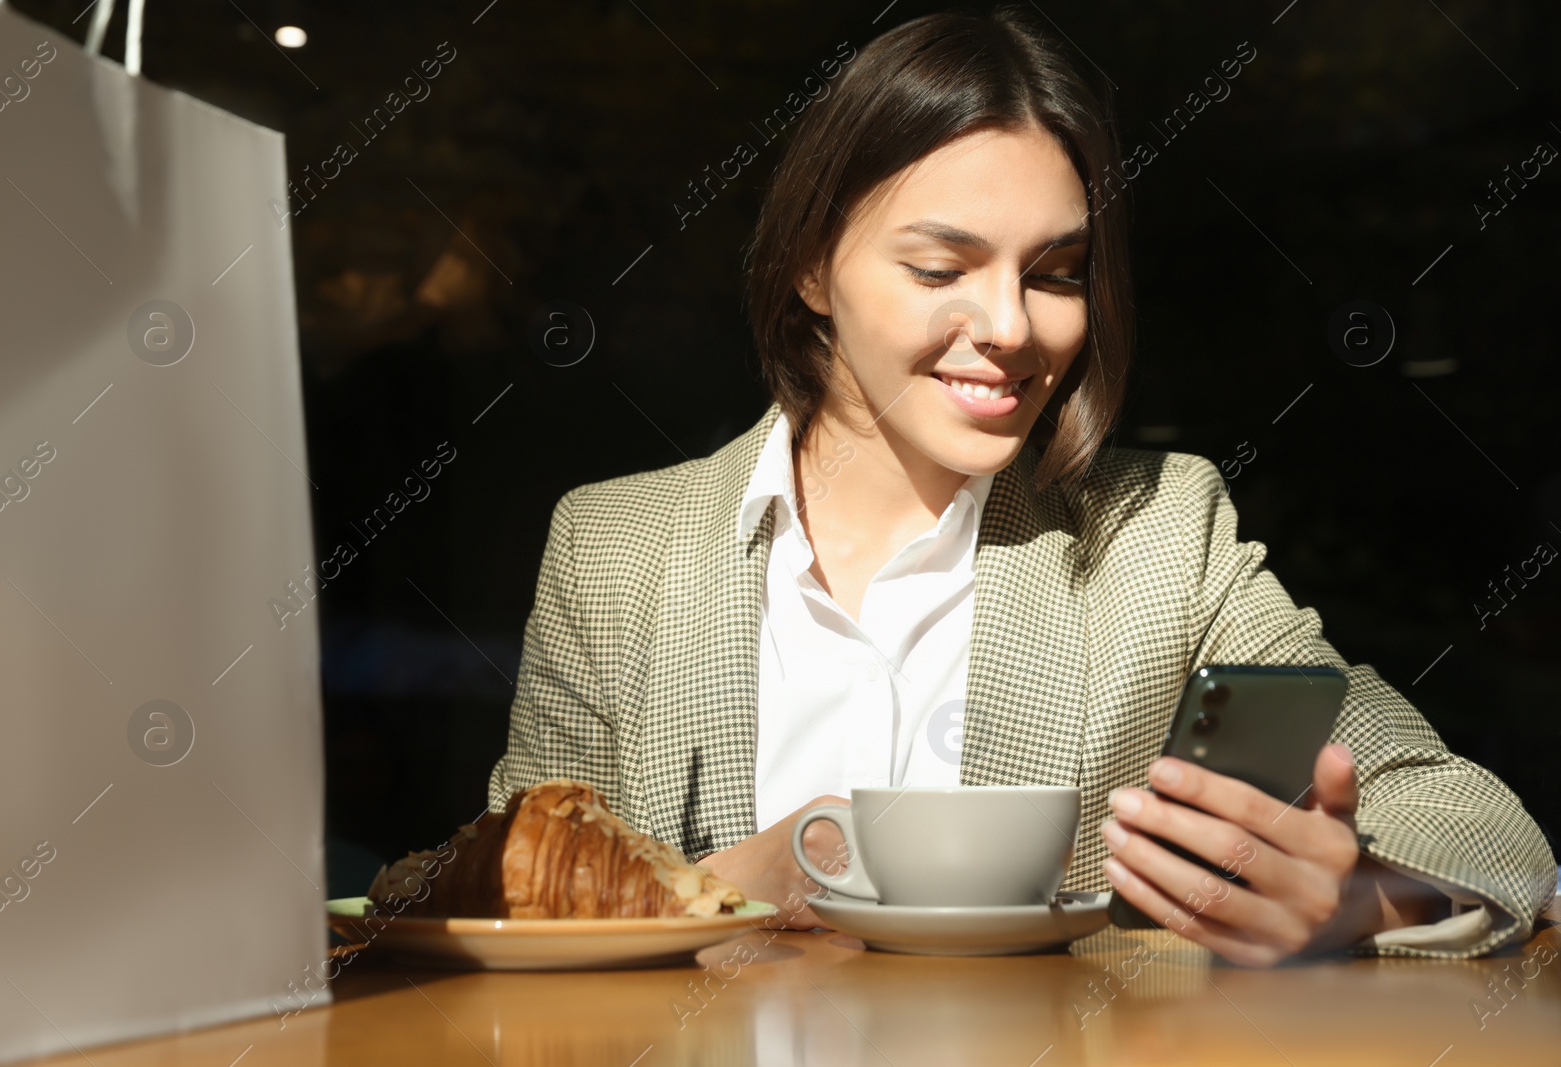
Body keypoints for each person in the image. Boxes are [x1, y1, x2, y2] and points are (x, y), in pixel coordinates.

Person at [488, 5, 1556, 966]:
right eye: (940, 267)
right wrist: (718, 897)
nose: (1009, 327)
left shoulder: (1157, 534)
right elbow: (515, 893)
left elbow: (1477, 827)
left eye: (1052, 272)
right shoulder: (614, 548)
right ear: (812, 267)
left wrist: (1363, 896)